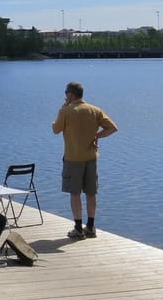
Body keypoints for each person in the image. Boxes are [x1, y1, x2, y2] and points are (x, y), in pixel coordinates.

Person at [52, 81, 118, 239]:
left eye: (66, 93)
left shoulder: (66, 111)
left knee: (75, 193)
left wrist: (62, 109)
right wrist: (97, 136)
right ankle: (90, 227)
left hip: (73, 158)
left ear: (70, 94)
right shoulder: (94, 110)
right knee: (91, 193)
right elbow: (112, 128)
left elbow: (56, 130)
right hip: (91, 158)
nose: (65, 97)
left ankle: (78, 229)